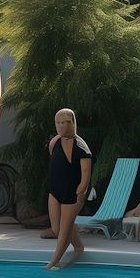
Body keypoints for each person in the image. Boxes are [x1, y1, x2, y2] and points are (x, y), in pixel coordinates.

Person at [43, 108, 93, 269]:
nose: (59, 126)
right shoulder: (55, 142)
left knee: (65, 229)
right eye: (57, 123)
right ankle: (78, 247)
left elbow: (86, 172)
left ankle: (53, 263)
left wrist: (83, 188)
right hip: (55, 189)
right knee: (57, 228)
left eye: (63, 122)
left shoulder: (81, 146)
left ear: (71, 123)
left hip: (72, 192)